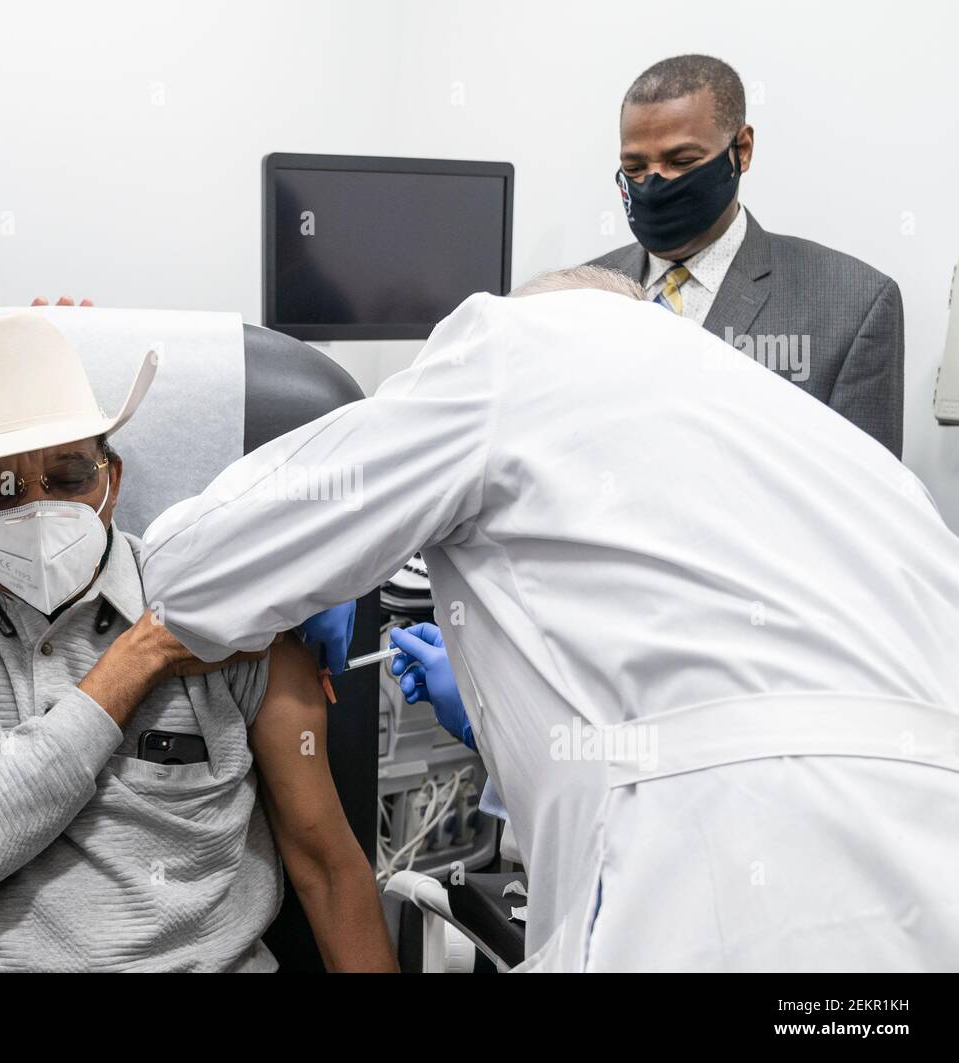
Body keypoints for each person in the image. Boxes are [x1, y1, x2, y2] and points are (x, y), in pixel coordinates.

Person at [140, 265, 959, 972]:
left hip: (719, 894)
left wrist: (312, 581)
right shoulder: (836, 449)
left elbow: (190, 569)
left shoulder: (510, 344)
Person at [0, 312, 395, 972]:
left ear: (113, 478)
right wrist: (140, 657)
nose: (36, 510)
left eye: (70, 475)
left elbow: (328, 871)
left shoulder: (225, 610)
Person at [589, 54, 905, 456]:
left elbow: (866, 501)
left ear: (742, 150)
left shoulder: (852, 304)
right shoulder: (577, 296)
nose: (653, 183)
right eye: (634, 167)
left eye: (681, 161)